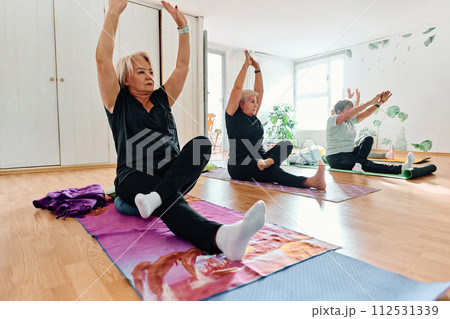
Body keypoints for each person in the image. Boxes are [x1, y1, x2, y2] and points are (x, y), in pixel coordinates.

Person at [96, 0, 265, 261]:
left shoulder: (162, 99)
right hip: (135, 177)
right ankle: (221, 237)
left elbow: (183, 66)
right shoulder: (117, 102)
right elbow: (102, 60)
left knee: (202, 144)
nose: (150, 75)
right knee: (169, 198)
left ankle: (156, 198)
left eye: (151, 71)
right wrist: (113, 12)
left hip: (172, 172)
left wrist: (184, 29)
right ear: (126, 79)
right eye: (141, 72)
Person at [225, 51, 326, 190]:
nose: (256, 104)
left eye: (256, 102)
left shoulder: (253, 117)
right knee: (270, 171)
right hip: (240, 164)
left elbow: (260, 92)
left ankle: (268, 162)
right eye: (252, 101)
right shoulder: (233, 116)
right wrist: (246, 65)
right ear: (241, 104)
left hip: (261, 159)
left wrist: (257, 68)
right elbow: (237, 88)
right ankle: (309, 182)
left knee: (287, 144)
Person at [326, 89, 414, 174]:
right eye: (350, 109)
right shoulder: (332, 120)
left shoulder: (350, 121)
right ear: (339, 112)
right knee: (367, 164)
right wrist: (371, 102)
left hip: (351, 153)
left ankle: (358, 164)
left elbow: (366, 113)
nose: (352, 111)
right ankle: (400, 168)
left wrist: (379, 103)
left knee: (368, 138)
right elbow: (348, 115)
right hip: (336, 157)